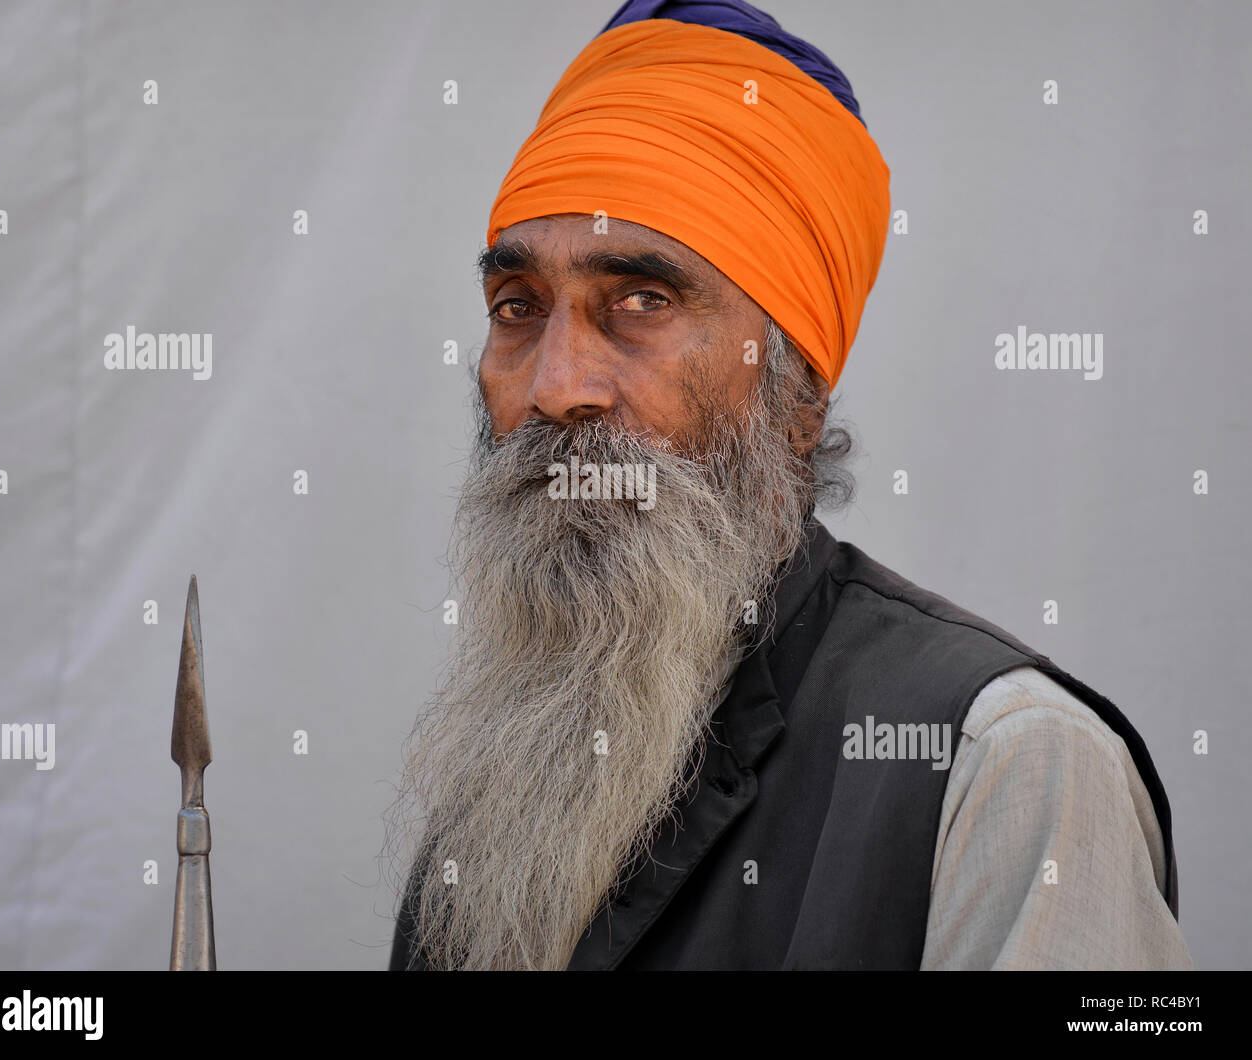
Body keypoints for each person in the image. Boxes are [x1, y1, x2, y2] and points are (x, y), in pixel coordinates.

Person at [387, 0, 1192, 970]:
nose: (556, 386)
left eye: (640, 301)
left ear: (796, 393)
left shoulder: (1005, 764)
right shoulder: (506, 766)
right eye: (517, 307)